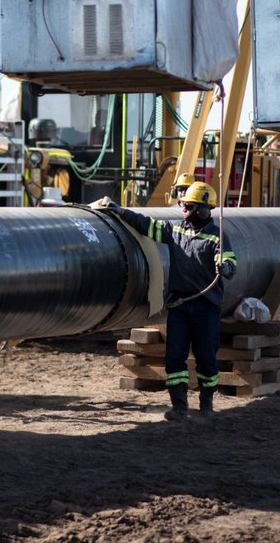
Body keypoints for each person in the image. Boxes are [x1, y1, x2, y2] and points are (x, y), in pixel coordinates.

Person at [93, 181, 236, 422]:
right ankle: (179, 406)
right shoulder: (175, 230)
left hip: (206, 306)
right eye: (183, 205)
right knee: (175, 356)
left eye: (189, 206)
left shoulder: (216, 237)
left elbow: (229, 261)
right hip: (179, 305)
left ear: (203, 209)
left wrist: (226, 267)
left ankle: (206, 405)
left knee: (206, 358)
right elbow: (146, 225)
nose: (184, 210)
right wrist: (120, 211)